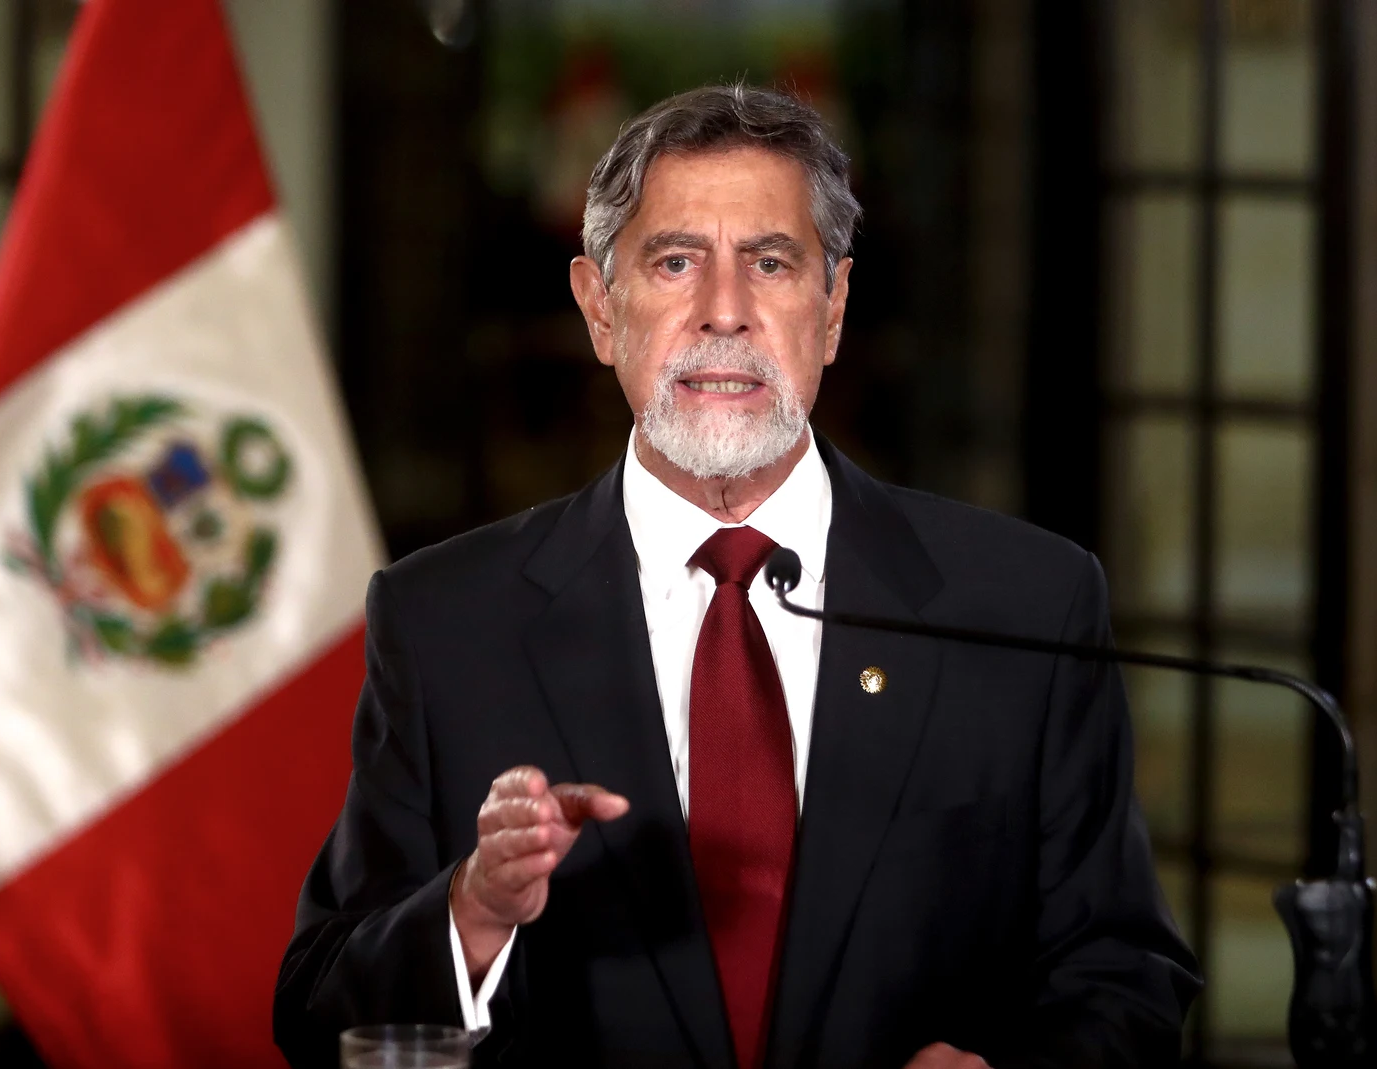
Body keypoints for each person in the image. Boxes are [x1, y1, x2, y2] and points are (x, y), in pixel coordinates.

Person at [274, 83, 1200, 1069]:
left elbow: (1125, 972)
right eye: (675, 262)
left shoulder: (1026, 604)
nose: (725, 313)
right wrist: (471, 912)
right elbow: (318, 1010)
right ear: (598, 307)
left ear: (833, 308)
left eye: (770, 262)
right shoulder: (444, 621)